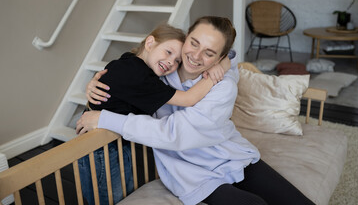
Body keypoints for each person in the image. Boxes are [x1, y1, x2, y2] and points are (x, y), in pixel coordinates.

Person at [77, 16, 315, 205]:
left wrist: (105, 118)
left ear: (218, 58)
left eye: (210, 53)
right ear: (186, 37)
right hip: (191, 171)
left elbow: (174, 131)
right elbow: (131, 71)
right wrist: (95, 85)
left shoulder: (223, 87)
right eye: (193, 43)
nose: (195, 56)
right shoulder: (160, 72)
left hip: (229, 155)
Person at [77, 23, 230, 205]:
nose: (171, 63)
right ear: (150, 43)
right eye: (168, 52)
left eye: (177, 61)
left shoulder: (131, 61)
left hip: (115, 138)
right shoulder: (138, 75)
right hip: (100, 144)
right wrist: (221, 68)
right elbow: (189, 99)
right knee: (110, 197)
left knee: (121, 190)